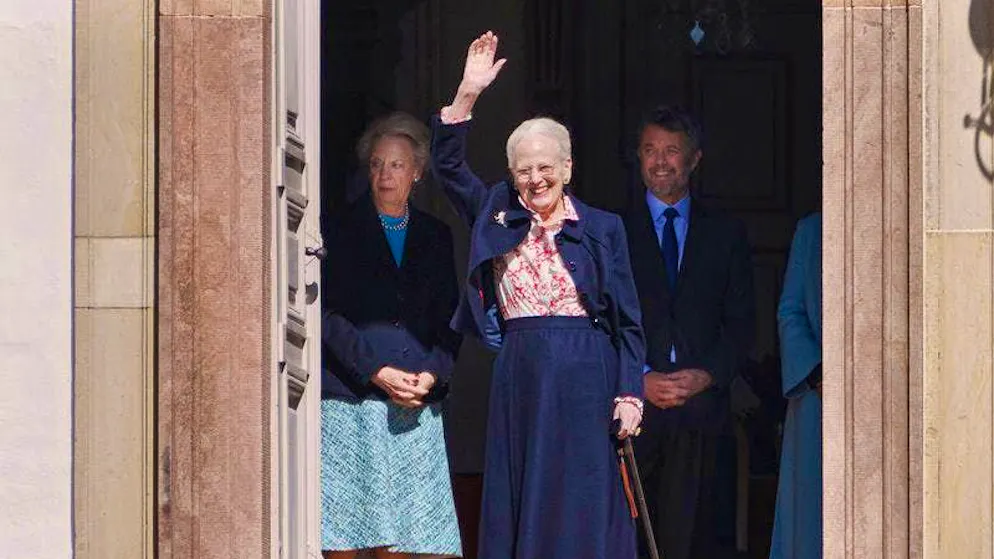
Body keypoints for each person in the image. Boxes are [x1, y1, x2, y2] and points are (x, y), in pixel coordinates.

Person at [431, 32, 646, 559]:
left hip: (587, 374)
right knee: (524, 496)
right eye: (523, 169)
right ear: (511, 176)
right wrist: (467, 94)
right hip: (522, 372)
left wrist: (630, 395)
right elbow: (448, 168)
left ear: (568, 169)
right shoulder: (495, 214)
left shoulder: (603, 228)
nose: (535, 178)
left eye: (546, 166)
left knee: (586, 501)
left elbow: (628, 323)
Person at [320, 112, 463, 559]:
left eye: (397, 165)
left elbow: (450, 319)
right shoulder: (338, 230)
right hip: (352, 402)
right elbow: (326, 313)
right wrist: (374, 370)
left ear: (417, 172)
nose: (385, 175)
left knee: (408, 543)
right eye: (378, 164)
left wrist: (432, 377)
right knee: (348, 538)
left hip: (413, 407)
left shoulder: (436, 236)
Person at [622, 106, 756, 559]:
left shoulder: (726, 233)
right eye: (650, 151)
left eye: (672, 151)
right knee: (633, 542)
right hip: (633, 412)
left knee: (701, 542)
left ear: (694, 159)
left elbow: (743, 326)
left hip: (704, 415)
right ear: (638, 158)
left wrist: (707, 375)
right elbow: (597, 322)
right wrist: (637, 377)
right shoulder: (612, 231)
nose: (660, 161)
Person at [769, 212, 822, 559]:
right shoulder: (811, 230)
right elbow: (790, 311)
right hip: (817, 392)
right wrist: (815, 371)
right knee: (808, 509)